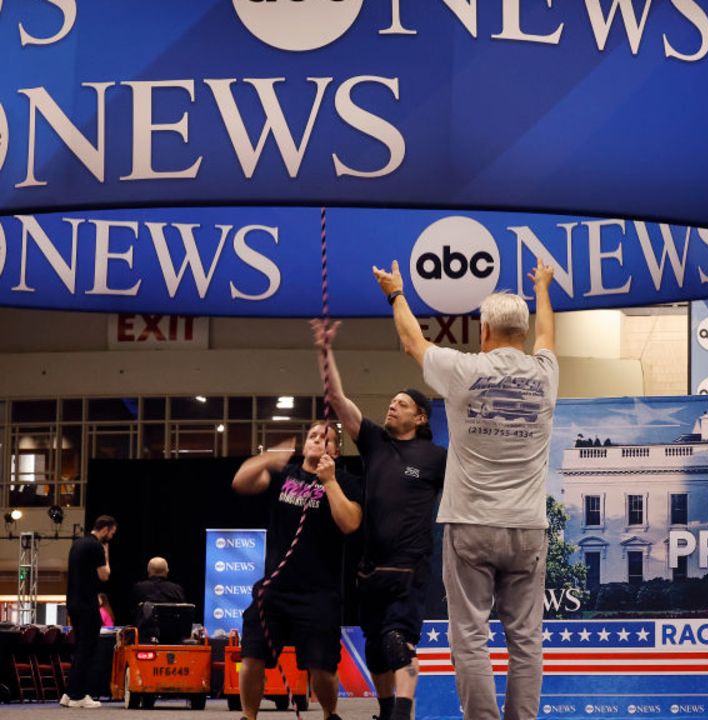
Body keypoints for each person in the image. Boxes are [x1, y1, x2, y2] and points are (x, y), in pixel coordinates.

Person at [373, 258, 559, 720]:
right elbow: (547, 338)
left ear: (485, 333)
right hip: (527, 527)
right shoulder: (545, 375)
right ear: (521, 329)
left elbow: (412, 342)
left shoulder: (463, 370)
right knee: (526, 638)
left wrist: (397, 293)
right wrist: (543, 289)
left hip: (471, 524)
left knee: (471, 635)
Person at [311, 318, 447, 720]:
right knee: (375, 648)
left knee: (395, 643)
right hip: (369, 572)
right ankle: (388, 711)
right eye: (391, 401)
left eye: (402, 403)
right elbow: (336, 397)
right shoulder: (374, 443)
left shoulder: (436, 458)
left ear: (421, 417)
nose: (392, 405)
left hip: (408, 570)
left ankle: (403, 714)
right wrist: (325, 350)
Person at [232, 422, 362, 720]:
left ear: (336, 451)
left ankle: (330, 714)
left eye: (325, 439)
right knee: (251, 656)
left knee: (322, 667)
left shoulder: (346, 481)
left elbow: (350, 523)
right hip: (274, 589)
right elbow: (241, 481)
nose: (318, 441)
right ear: (304, 446)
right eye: (313, 437)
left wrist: (328, 481)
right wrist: (271, 456)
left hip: (318, 594)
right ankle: (248, 716)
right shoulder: (284, 476)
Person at [62, 515, 117, 708]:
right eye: (111, 533)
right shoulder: (96, 546)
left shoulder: (78, 543)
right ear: (105, 529)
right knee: (88, 649)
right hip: (87, 604)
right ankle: (79, 696)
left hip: (74, 603)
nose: (111, 536)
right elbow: (104, 575)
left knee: (80, 648)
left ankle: (69, 693)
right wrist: (106, 553)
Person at [130, 557, 186, 624]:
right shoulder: (176, 590)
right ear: (167, 571)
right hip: (172, 633)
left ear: (148, 571)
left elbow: (132, 614)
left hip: (145, 633)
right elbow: (184, 615)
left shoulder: (139, 588)